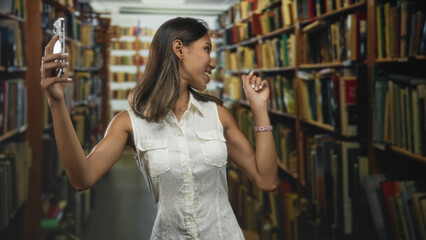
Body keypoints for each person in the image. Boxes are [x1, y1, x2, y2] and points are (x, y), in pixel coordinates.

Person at [41, 17, 278, 240]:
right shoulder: (129, 122)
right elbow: (82, 178)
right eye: (207, 49)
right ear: (179, 49)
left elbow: (267, 181)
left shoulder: (218, 116)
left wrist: (260, 109)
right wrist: (57, 102)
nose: (213, 62)